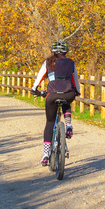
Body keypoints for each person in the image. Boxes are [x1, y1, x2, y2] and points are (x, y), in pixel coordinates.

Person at [31, 40, 80, 168]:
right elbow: (75, 80)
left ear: (53, 51)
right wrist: (77, 91)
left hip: (52, 95)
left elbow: (40, 77)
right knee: (67, 97)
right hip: (68, 93)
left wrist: (34, 89)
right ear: (66, 52)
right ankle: (68, 125)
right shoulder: (71, 63)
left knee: (50, 122)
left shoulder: (48, 62)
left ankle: (46, 153)